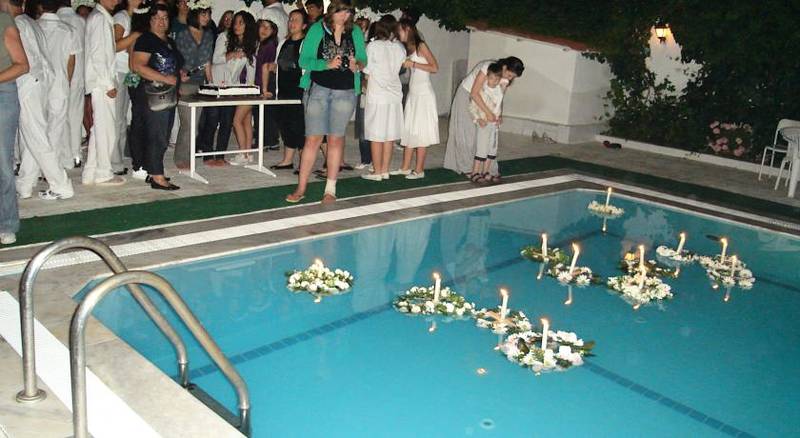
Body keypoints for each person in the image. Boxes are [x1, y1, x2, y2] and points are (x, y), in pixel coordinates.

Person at [285, 0, 366, 204]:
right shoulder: (317, 29)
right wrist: (326, 64)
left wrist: (357, 64)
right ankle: (301, 188)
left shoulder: (355, 31)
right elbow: (303, 60)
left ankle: (330, 189)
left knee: (336, 139)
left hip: (345, 91)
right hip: (319, 89)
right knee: (312, 139)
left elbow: (363, 59)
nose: (344, 16)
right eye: (341, 12)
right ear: (332, 11)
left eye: (348, 12)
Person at [10, 0, 73, 200]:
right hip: (42, 81)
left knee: (36, 136)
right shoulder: (30, 22)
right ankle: (25, 183)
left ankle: (61, 184)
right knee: (34, 136)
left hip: (28, 82)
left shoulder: (18, 24)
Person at [130, 2, 184, 190]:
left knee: (162, 134)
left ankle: (153, 171)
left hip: (167, 94)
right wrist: (165, 78)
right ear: (150, 20)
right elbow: (137, 66)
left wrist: (179, 75)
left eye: (165, 18)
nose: (161, 22)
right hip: (152, 94)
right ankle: (157, 176)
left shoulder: (169, 41)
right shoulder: (146, 39)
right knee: (157, 134)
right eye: (157, 18)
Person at [443, 56, 524, 177]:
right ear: (504, 67)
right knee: (467, 133)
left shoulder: (505, 80)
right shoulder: (487, 67)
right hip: (467, 96)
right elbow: (474, 93)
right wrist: (488, 113)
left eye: (513, 77)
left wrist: (498, 115)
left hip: (485, 101)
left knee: (484, 137)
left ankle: (483, 169)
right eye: (509, 75)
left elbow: (499, 98)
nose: (509, 78)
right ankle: (467, 168)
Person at [83, 0, 125, 186]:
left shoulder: (100, 17)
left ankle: (90, 171)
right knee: (106, 130)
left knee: (99, 128)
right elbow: (98, 54)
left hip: (100, 81)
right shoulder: (99, 18)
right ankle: (103, 172)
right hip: (101, 83)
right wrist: (108, 84)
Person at [360, 17, 405, 181]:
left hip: (377, 94)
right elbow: (399, 68)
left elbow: (367, 70)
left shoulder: (373, 46)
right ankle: (385, 170)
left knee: (376, 135)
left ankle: (377, 171)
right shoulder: (399, 47)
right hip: (394, 94)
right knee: (389, 135)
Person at [394, 18, 438, 179]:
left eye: (399, 30)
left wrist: (413, 65)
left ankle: (419, 170)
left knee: (421, 132)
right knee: (410, 130)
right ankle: (405, 167)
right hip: (414, 94)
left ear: (407, 29)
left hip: (423, 95)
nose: (398, 34)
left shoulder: (421, 45)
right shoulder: (409, 48)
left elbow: (434, 67)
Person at [0, 1, 28, 244]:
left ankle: (6, 222)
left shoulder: (3, 21)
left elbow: (22, 64)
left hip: (2, 94)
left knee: (1, 162)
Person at [37, 0, 77, 170]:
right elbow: (71, 61)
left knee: (38, 125)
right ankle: (52, 166)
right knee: (57, 126)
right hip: (60, 82)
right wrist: (67, 81)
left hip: (38, 82)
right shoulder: (68, 30)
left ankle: (41, 166)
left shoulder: (33, 26)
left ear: (40, 6)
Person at [214, 10, 256, 165]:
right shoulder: (224, 37)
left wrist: (251, 90)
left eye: (241, 23)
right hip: (218, 84)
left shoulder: (250, 43)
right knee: (222, 119)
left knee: (242, 119)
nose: (236, 26)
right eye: (235, 22)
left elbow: (251, 68)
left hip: (236, 87)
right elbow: (215, 59)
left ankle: (245, 154)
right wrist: (232, 54)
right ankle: (244, 153)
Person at [173, 0, 212, 168]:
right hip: (184, 83)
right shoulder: (183, 34)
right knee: (187, 124)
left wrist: (211, 84)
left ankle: (188, 156)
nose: (207, 17)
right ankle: (181, 158)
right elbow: (174, 57)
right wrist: (178, 75)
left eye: (208, 14)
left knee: (194, 124)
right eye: (204, 14)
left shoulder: (208, 35)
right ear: (195, 14)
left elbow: (207, 61)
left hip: (200, 83)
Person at [269, 8, 306, 169]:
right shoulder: (283, 43)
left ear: (304, 25)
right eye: (290, 19)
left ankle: (304, 163)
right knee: (285, 125)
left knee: (300, 127)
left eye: (296, 20)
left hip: (299, 92)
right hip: (283, 91)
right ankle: (288, 160)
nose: (292, 23)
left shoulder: (306, 44)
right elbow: (279, 64)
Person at [111, 0, 144, 176]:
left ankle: (121, 156)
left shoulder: (138, 17)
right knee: (117, 117)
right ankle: (114, 162)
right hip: (119, 71)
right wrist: (135, 35)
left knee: (125, 117)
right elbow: (115, 45)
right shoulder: (121, 17)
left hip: (132, 71)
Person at [56, 0, 86, 168]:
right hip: (78, 76)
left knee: (59, 116)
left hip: (58, 76)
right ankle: (76, 154)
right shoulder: (81, 21)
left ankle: (63, 155)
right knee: (75, 115)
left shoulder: (55, 21)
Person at [467, 63, 506, 183]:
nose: (494, 81)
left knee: (492, 148)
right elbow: (472, 107)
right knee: (482, 148)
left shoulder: (499, 91)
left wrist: (499, 117)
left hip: (494, 125)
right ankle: (475, 172)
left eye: (497, 79)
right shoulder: (482, 91)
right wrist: (478, 119)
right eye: (491, 78)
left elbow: (498, 106)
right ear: (487, 77)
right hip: (484, 123)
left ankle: (486, 171)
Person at [254, 18, 278, 150]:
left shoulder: (269, 45)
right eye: (262, 26)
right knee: (262, 113)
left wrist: (264, 88)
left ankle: (267, 140)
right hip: (259, 82)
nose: (264, 30)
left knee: (264, 114)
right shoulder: (259, 44)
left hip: (265, 82)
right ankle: (268, 140)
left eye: (268, 28)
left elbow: (266, 67)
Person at [352, 15, 370, 170]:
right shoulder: (353, 42)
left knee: (367, 123)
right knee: (362, 124)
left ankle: (369, 158)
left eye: (363, 26)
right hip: (361, 87)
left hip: (368, 86)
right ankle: (366, 158)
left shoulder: (369, 45)